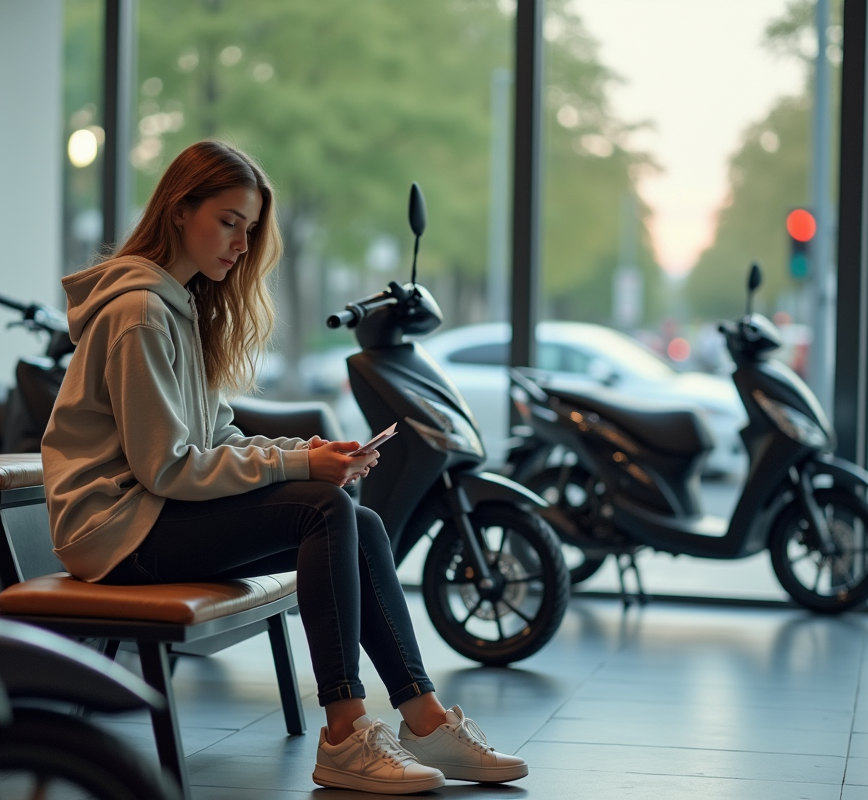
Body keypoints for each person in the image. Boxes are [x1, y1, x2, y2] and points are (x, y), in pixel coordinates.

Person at [42, 140, 527, 794]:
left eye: (248, 229)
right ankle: (345, 733)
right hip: (115, 531)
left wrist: (312, 457)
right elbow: (168, 469)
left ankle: (425, 717)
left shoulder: (178, 306)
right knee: (323, 510)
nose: (241, 245)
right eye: (228, 222)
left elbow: (215, 439)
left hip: (150, 517)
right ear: (180, 211)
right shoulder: (140, 313)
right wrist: (299, 464)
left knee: (360, 521)